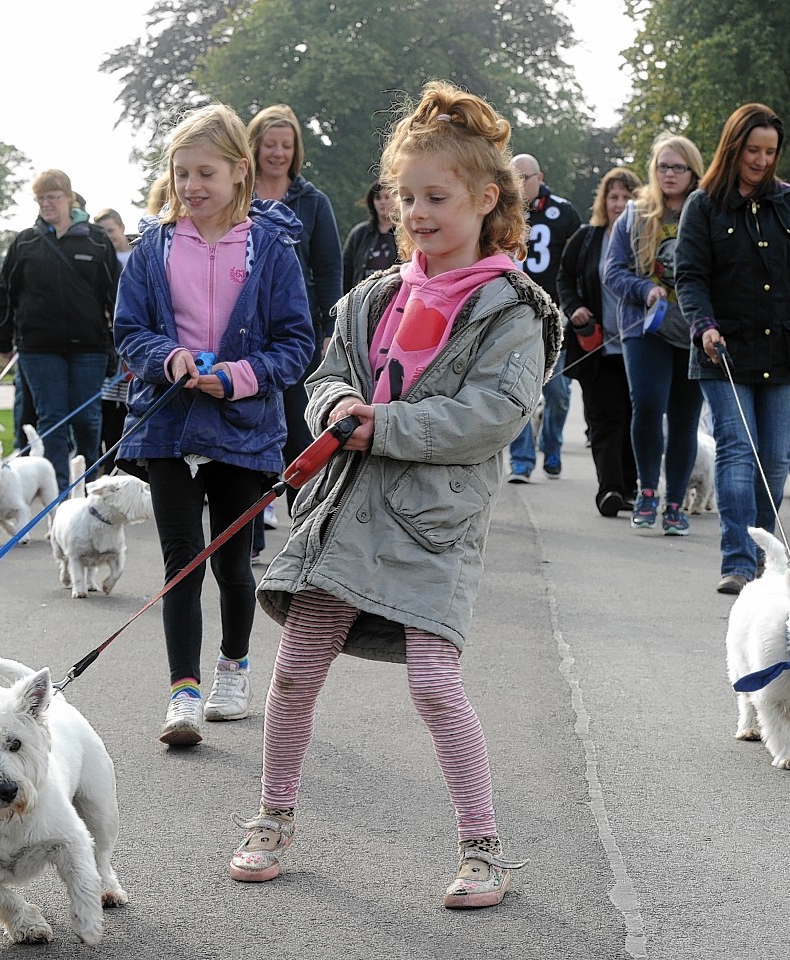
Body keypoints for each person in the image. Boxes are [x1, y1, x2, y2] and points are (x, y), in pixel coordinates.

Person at [234, 81, 559, 909]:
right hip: (342, 513)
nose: (416, 212)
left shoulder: (510, 307)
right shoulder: (375, 294)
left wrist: (386, 427)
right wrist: (337, 405)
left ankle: (482, 848)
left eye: (436, 197)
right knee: (295, 670)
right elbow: (329, 371)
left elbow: (496, 413)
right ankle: (271, 819)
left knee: (432, 682)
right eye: (405, 196)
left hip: (433, 526)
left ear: (487, 201)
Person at [113, 105, 314, 745]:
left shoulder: (271, 249)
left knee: (231, 561)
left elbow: (296, 343)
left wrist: (237, 376)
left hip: (243, 429)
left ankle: (233, 666)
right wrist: (168, 358)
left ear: (238, 172)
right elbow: (129, 331)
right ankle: (183, 695)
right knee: (180, 564)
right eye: (182, 173)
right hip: (169, 426)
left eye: (206, 172)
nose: (192, 186)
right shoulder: (153, 247)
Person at [675, 103, 790, 595]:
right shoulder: (703, 205)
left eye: (770, 152)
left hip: (783, 349)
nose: (762, 161)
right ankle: (738, 561)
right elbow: (690, 275)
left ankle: (769, 560)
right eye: (752, 151)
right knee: (739, 453)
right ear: (733, 147)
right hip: (724, 350)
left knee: (776, 461)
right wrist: (704, 324)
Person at [248, 104, 344, 550]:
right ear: (254, 147)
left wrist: (329, 329)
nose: (278, 153)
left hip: (297, 331)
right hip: (244, 330)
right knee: (245, 431)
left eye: (286, 146)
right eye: (270, 145)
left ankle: (305, 536)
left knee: (297, 430)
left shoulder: (313, 201)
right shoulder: (236, 193)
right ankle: (246, 536)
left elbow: (329, 271)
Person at [604, 133, 707, 534]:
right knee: (647, 404)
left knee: (685, 419)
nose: (669, 174)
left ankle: (676, 504)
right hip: (645, 328)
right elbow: (613, 271)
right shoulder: (635, 213)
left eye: (677, 167)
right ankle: (648, 491)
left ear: (693, 171)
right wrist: (644, 288)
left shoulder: (708, 212)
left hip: (696, 330)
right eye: (663, 166)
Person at [0, 169, 121, 492]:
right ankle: (59, 496)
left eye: (53, 197)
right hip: (38, 347)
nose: (47, 204)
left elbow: (116, 294)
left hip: (90, 346)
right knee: (52, 420)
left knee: (87, 420)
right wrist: (2, 337)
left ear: (69, 197)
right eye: (41, 198)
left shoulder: (96, 240)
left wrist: (121, 342)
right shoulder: (25, 242)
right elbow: (6, 290)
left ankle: (87, 484)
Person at [559, 165, 640, 517]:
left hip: (640, 345)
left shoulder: (646, 237)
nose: (619, 204)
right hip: (597, 347)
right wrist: (574, 307)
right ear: (603, 201)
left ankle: (634, 486)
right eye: (613, 197)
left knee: (636, 417)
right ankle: (610, 489)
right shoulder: (587, 238)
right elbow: (565, 278)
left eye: (627, 197)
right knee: (605, 419)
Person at [507, 152, 581, 481]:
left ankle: (551, 446)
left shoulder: (563, 212)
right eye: (514, 177)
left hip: (554, 315)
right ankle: (521, 461)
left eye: (526, 177)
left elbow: (579, 260)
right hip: (513, 312)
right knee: (516, 389)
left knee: (558, 393)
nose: (520, 184)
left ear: (540, 177)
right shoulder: (501, 209)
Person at [94, 207, 135, 471]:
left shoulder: (137, 254)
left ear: (120, 227)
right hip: (108, 340)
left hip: (133, 337)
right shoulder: (100, 260)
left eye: (110, 231)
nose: (107, 238)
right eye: (102, 233)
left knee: (128, 408)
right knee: (108, 406)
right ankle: (107, 468)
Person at [341, 181, 400, 286]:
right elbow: (346, 270)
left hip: (397, 295)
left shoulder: (405, 233)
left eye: (387, 197)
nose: (382, 202)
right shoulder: (359, 234)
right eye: (377, 198)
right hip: (363, 296)